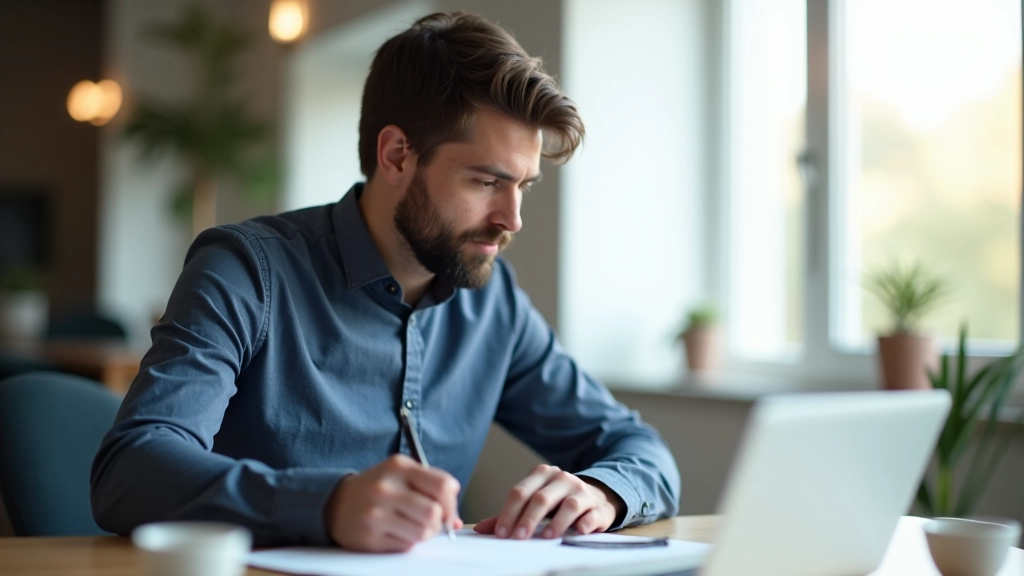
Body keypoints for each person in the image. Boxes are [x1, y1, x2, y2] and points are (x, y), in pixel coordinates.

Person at [91, 11, 679, 552]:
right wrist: (326, 504)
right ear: (397, 155)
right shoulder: (247, 271)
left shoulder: (493, 304)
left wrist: (603, 492)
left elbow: (642, 452)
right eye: (485, 182)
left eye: (522, 186)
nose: (512, 219)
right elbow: (131, 471)